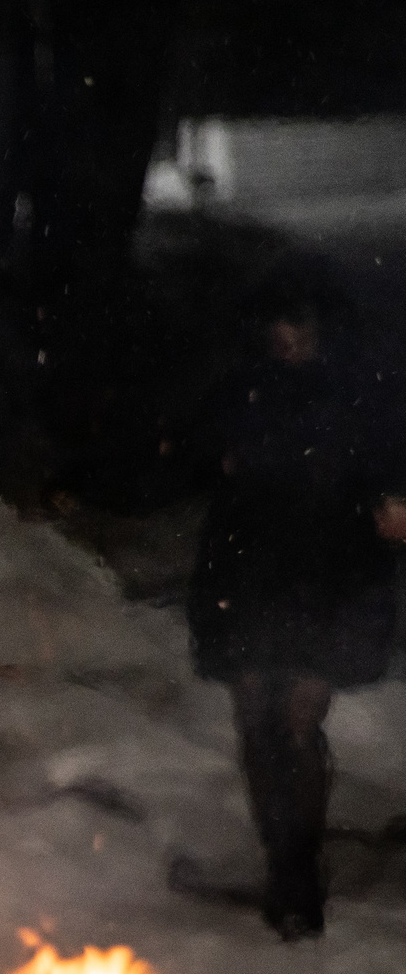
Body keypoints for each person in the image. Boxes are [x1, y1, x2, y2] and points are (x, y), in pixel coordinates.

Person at [187, 278, 406, 938]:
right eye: (280, 327)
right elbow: (195, 454)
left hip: (332, 570)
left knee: (298, 717)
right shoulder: (239, 389)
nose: (289, 341)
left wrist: (388, 503)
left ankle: (300, 869)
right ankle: (281, 860)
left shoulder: (362, 392)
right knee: (256, 716)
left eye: (302, 327)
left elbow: (385, 468)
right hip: (249, 568)